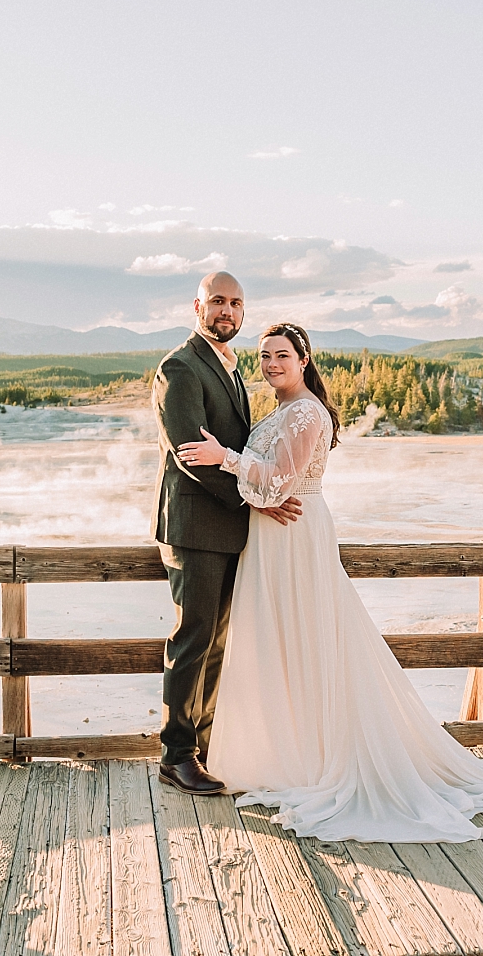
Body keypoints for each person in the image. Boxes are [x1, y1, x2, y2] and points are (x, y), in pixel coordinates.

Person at [176, 321, 483, 842]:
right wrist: (248, 481)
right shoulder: (282, 409)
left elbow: (283, 481)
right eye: (264, 355)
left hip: (294, 534)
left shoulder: (307, 411)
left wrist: (225, 457)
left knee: (310, 641)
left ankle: (318, 757)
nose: (270, 364)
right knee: (278, 643)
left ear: (304, 360)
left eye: (281, 355)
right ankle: (288, 750)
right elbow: (267, 480)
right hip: (271, 535)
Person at [151, 271, 301, 796]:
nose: (227, 312)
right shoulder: (181, 367)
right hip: (194, 526)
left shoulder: (231, 368)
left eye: (236, 304)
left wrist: (260, 492)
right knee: (192, 639)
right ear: (197, 305)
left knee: (216, 642)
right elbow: (193, 456)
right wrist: (257, 498)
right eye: (217, 301)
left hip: (229, 529)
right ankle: (176, 755)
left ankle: (207, 744)